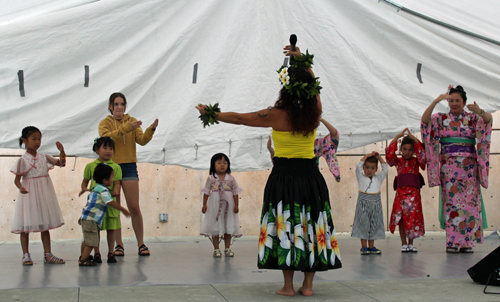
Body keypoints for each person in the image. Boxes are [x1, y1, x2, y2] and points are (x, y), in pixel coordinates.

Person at [196, 45, 341, 297]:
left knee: (285, 224)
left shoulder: (276, 115)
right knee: (310, 226)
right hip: (310, 178)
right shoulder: (315, 112)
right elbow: (314, 87)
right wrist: (304, 62)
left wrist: (213, 113)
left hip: (283, 177)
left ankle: (288, 286)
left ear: (285, 89)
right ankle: (307, 286)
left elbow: (241, 118)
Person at [421, 85, 492, 253]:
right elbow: (425, 122)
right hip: (449, 167)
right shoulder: (441, 118)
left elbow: (488, 121)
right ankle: (453, 241)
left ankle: (467, 242)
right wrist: (436, 100)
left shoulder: (473, 118)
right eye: (451, 100)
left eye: (457, 100)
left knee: (469, 204)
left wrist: (480, 111)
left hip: (469, 167)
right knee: (452, 203)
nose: (454, 103)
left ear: (464, 102)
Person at [99, 92, 158, 256]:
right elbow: (106, 139)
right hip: (111, 168)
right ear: (110, 106)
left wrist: (150, 129)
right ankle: (119, 245)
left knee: (134, 207)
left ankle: (141, 243)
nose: (119, 107)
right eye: (116, 104)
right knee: (115, 208)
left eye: (122, 104)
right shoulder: (105, 123)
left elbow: (142, 140)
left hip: (129, 166)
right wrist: (126, 128)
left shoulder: (132, 121)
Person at [11, 126, 67, 265]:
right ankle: (26, 255)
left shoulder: (44, 156)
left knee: (44, 225)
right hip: (29, 195)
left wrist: (62, 152)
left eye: (39, 139)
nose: (37, 142)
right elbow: (17, 180)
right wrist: (21, 188)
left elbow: (61, 163)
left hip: (44, 194)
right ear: (24, 140)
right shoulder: (22, 160)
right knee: (25, 226)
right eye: (34, 139)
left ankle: (48, 254)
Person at [79, 137, 122, 263]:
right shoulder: (90, 166)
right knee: (94, 228)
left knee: (111, 227)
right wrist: (84, 189)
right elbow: (85, 181)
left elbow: (117, 183)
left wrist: (116, 192)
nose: (108, 151)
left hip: (110, 202)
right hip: (96, 204)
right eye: (105, 148)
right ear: (97, 149)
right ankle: (96, 253)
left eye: (111, 148)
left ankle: (110, 252)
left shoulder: (116, 167)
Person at [79, 164, 130, 266]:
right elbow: (110, 202)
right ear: (105, 180)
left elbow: (89, 203)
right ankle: (84, 260)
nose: (113, 179)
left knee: (87, 239)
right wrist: (123, 210)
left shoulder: (96, 189)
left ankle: (83, 256)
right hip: (91, 220)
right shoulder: (103, 190)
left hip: (86, 218)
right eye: (112, 177)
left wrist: (81, 217)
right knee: (92, 241)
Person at [386, 129, 425, 252]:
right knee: (401, 218)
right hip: (401, 194)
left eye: (410, 149)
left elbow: (423, 155)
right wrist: (397, 137)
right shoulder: (398, 161)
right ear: (400, 149)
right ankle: (403, 243)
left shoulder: (416, 161)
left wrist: (414, 138)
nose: (407, 152)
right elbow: (389, 157)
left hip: (414, 194)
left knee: (413, 217)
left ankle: (411, 243)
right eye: (404, 149)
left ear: (414, 151)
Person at [267, 117, 341, 182]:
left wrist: (320, 119)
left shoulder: (317, 144)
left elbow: (334, 136)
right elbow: (279, 159)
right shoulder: (290, 143)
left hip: (310, 178)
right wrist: (270, 148)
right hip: (291, 179)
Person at [200, 153, 242, 257]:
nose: (222, 165)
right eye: (219, 163)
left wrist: (236, 204)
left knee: (228, 226)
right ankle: (216, 249)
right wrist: (204, 204)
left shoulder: (231, 178)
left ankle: (227, 248)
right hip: (215, 205)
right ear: (213, 165)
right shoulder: (211, 178)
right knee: (216, 227)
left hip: (228, 206)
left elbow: (235, 192)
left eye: (225, 163)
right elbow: (206, 192)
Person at [351, 152, 388, 255]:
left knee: (374, 224)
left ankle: (371, 247)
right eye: (367, 167)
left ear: (376, 169)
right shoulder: (361, 177)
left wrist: (379, 158)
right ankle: (364, 247)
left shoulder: (378, 178)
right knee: (363, 224)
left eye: (372, 168)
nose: (369, 170)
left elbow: (386, 169)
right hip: (363, 204)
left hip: (376, 204)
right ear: (363, 168)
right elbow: (357, 166)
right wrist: (367, 156)